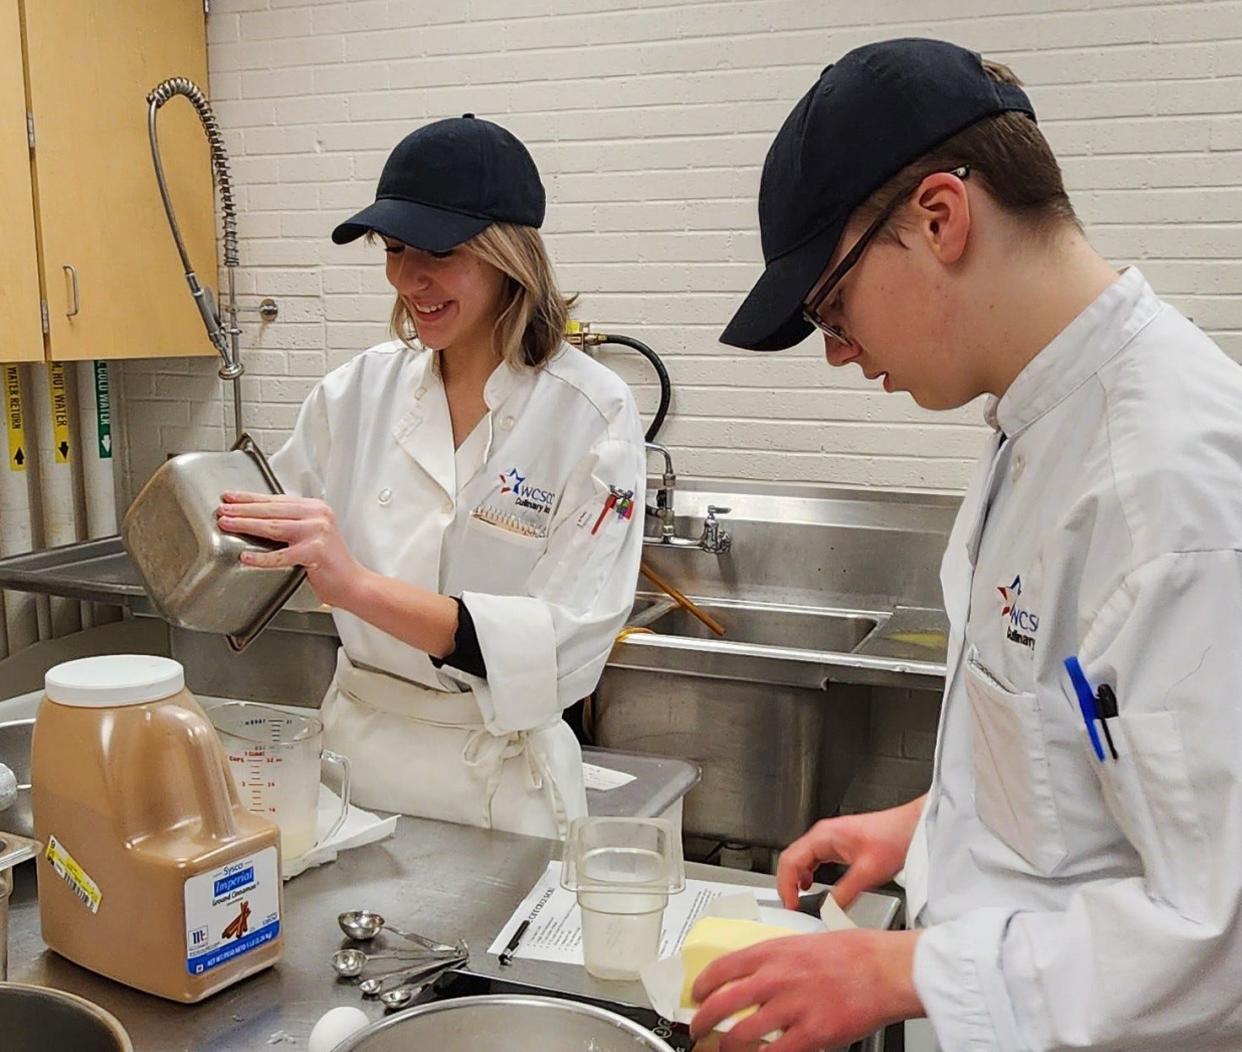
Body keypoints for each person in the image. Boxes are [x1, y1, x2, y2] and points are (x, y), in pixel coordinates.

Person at [690, 37, 1242, 1052]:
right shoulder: (1037, 422)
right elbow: (1077, 765)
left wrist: (900, 964)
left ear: (940, 218)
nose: (840, 354)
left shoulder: (1176, 486)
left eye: (832, 304)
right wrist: (927, 824)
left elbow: (1220, 931)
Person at [216, 114, 646, 841]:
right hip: (358, 768)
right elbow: (256, 542)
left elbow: (559, 646)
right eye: (395, 249)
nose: (410, 278)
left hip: (502, 785)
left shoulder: (591, 414)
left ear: (509, 255)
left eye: (440, 251)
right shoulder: (355, 394)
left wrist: (354, 585)